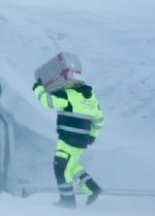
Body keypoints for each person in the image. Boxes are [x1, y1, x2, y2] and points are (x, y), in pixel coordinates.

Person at [32, 78, 105, 209]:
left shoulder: (69, 95)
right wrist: (92, 136)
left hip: (67, 139)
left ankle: (67, 201)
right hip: (82, 141)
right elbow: (99, 119)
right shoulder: (91, 99)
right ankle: (92, 188)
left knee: (61, 168)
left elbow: (48, 101)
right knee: (72, 166)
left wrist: (38, 88)